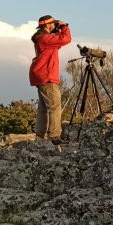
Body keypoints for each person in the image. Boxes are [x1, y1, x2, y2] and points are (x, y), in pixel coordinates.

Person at [29, 14, 71, 142]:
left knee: (43, 108)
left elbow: (58, 43)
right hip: (47, 76)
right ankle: (54, 136)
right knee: (54, 106)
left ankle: (40, 136)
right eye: (53, 23)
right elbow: (66, 39)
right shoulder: (45, 38)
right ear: (47, 25)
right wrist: (64, 26)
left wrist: (57, 30)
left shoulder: (42, 38)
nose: (55, 25)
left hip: (41, 75)